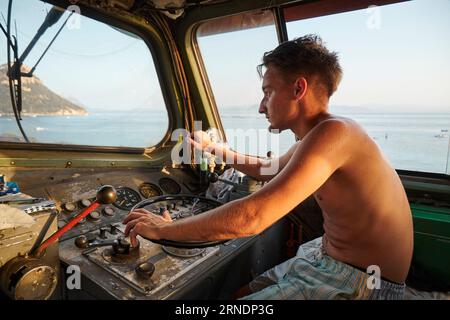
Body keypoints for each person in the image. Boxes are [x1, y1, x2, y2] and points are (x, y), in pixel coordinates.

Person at [123, 35, 413, 300]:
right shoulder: (319, 136)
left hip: (361, 282)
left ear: (299, 88)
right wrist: (215, 149)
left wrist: (166, 230)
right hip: (325, 256)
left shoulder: (334, 133)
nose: (262, 107)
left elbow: (252, 217)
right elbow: (268, 169)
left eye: (268, 92)